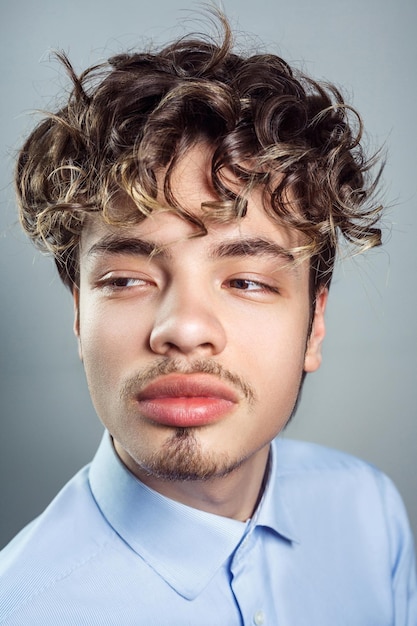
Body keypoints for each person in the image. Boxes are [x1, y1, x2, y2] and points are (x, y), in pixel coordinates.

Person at [0, 11, 416, 625]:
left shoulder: (369, 511)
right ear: (80, 315)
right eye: (126, 280)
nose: (185, 327)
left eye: (246, 281)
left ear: (315, 322)